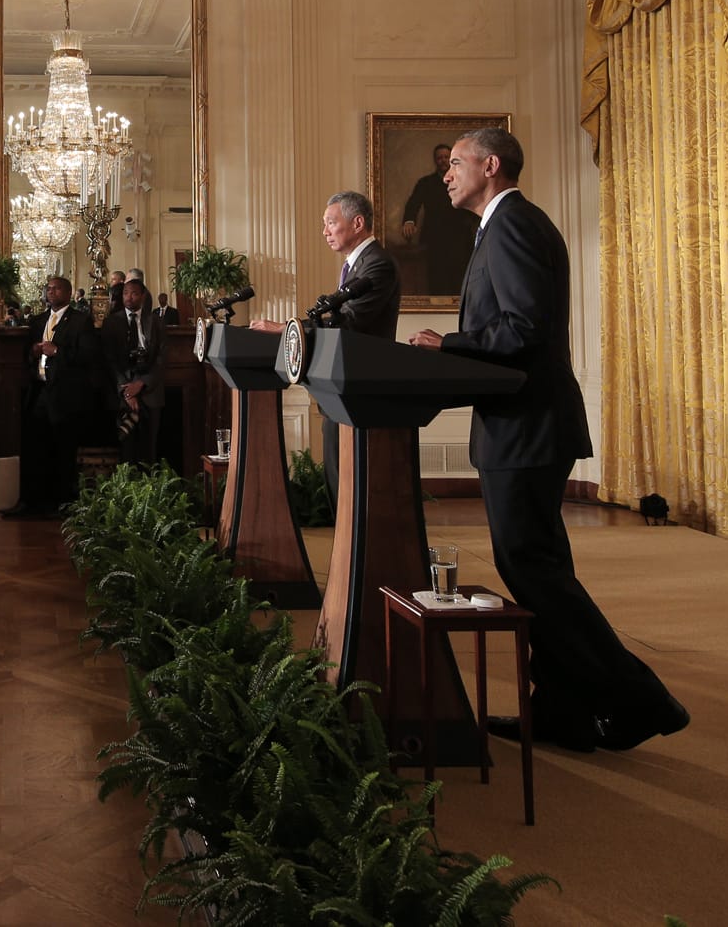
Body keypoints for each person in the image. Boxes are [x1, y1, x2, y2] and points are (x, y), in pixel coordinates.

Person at [410, 127, 687, 753]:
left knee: (533, 570)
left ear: (490, 164)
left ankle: (642, 699)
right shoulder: (506, 225)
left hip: (527, 426)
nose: (446, 175)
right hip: (523, 424)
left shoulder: (510, 225)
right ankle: (561, 710)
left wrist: (447, 344)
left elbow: (522, 328)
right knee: (538, 569)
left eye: (455, 164)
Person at [254, 190, 402, 504]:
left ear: (358, 222)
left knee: (355, 489)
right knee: (340, 482)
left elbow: (349, 322)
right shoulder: (356, 264)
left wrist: (286, 329)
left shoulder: (377, 264)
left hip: (362, 386)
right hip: (340, 389)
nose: (325, 232)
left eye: (330, 223)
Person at [8, 276, 105, 518]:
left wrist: (57, 351)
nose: (51, 292)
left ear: (68, 293)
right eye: (48, 288)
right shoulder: (38, 320)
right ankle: (32, 501)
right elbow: (26, 354)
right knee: (35, 448)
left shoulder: (81, 321)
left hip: (66, 395)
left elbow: (88, 356)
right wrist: (33, 352)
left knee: (63, 450)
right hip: (39, 392)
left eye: (56, 288)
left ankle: (63, 504)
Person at [400, 142, 480, 294]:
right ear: (435, 160)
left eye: (446, 157)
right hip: (434, 240)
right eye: (439, 158)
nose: (443, 160)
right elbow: (413, 204)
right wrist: (409, 221)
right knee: (437, 282)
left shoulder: (464, 181)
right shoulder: (426, 183)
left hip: (460, 240)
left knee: (460, 282)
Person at [101, 278, 165, 467]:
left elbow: (161, 358)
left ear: (143, 296)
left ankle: (150, 491)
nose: (129, 297)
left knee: (149, 448)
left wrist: (142, 383)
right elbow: (109, 360)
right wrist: (127, 390)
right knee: (126, 448)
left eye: (134, 293)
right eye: (126, 293)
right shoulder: (112, 322)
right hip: (123, 392)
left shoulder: (155, 322)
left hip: (150, 392)